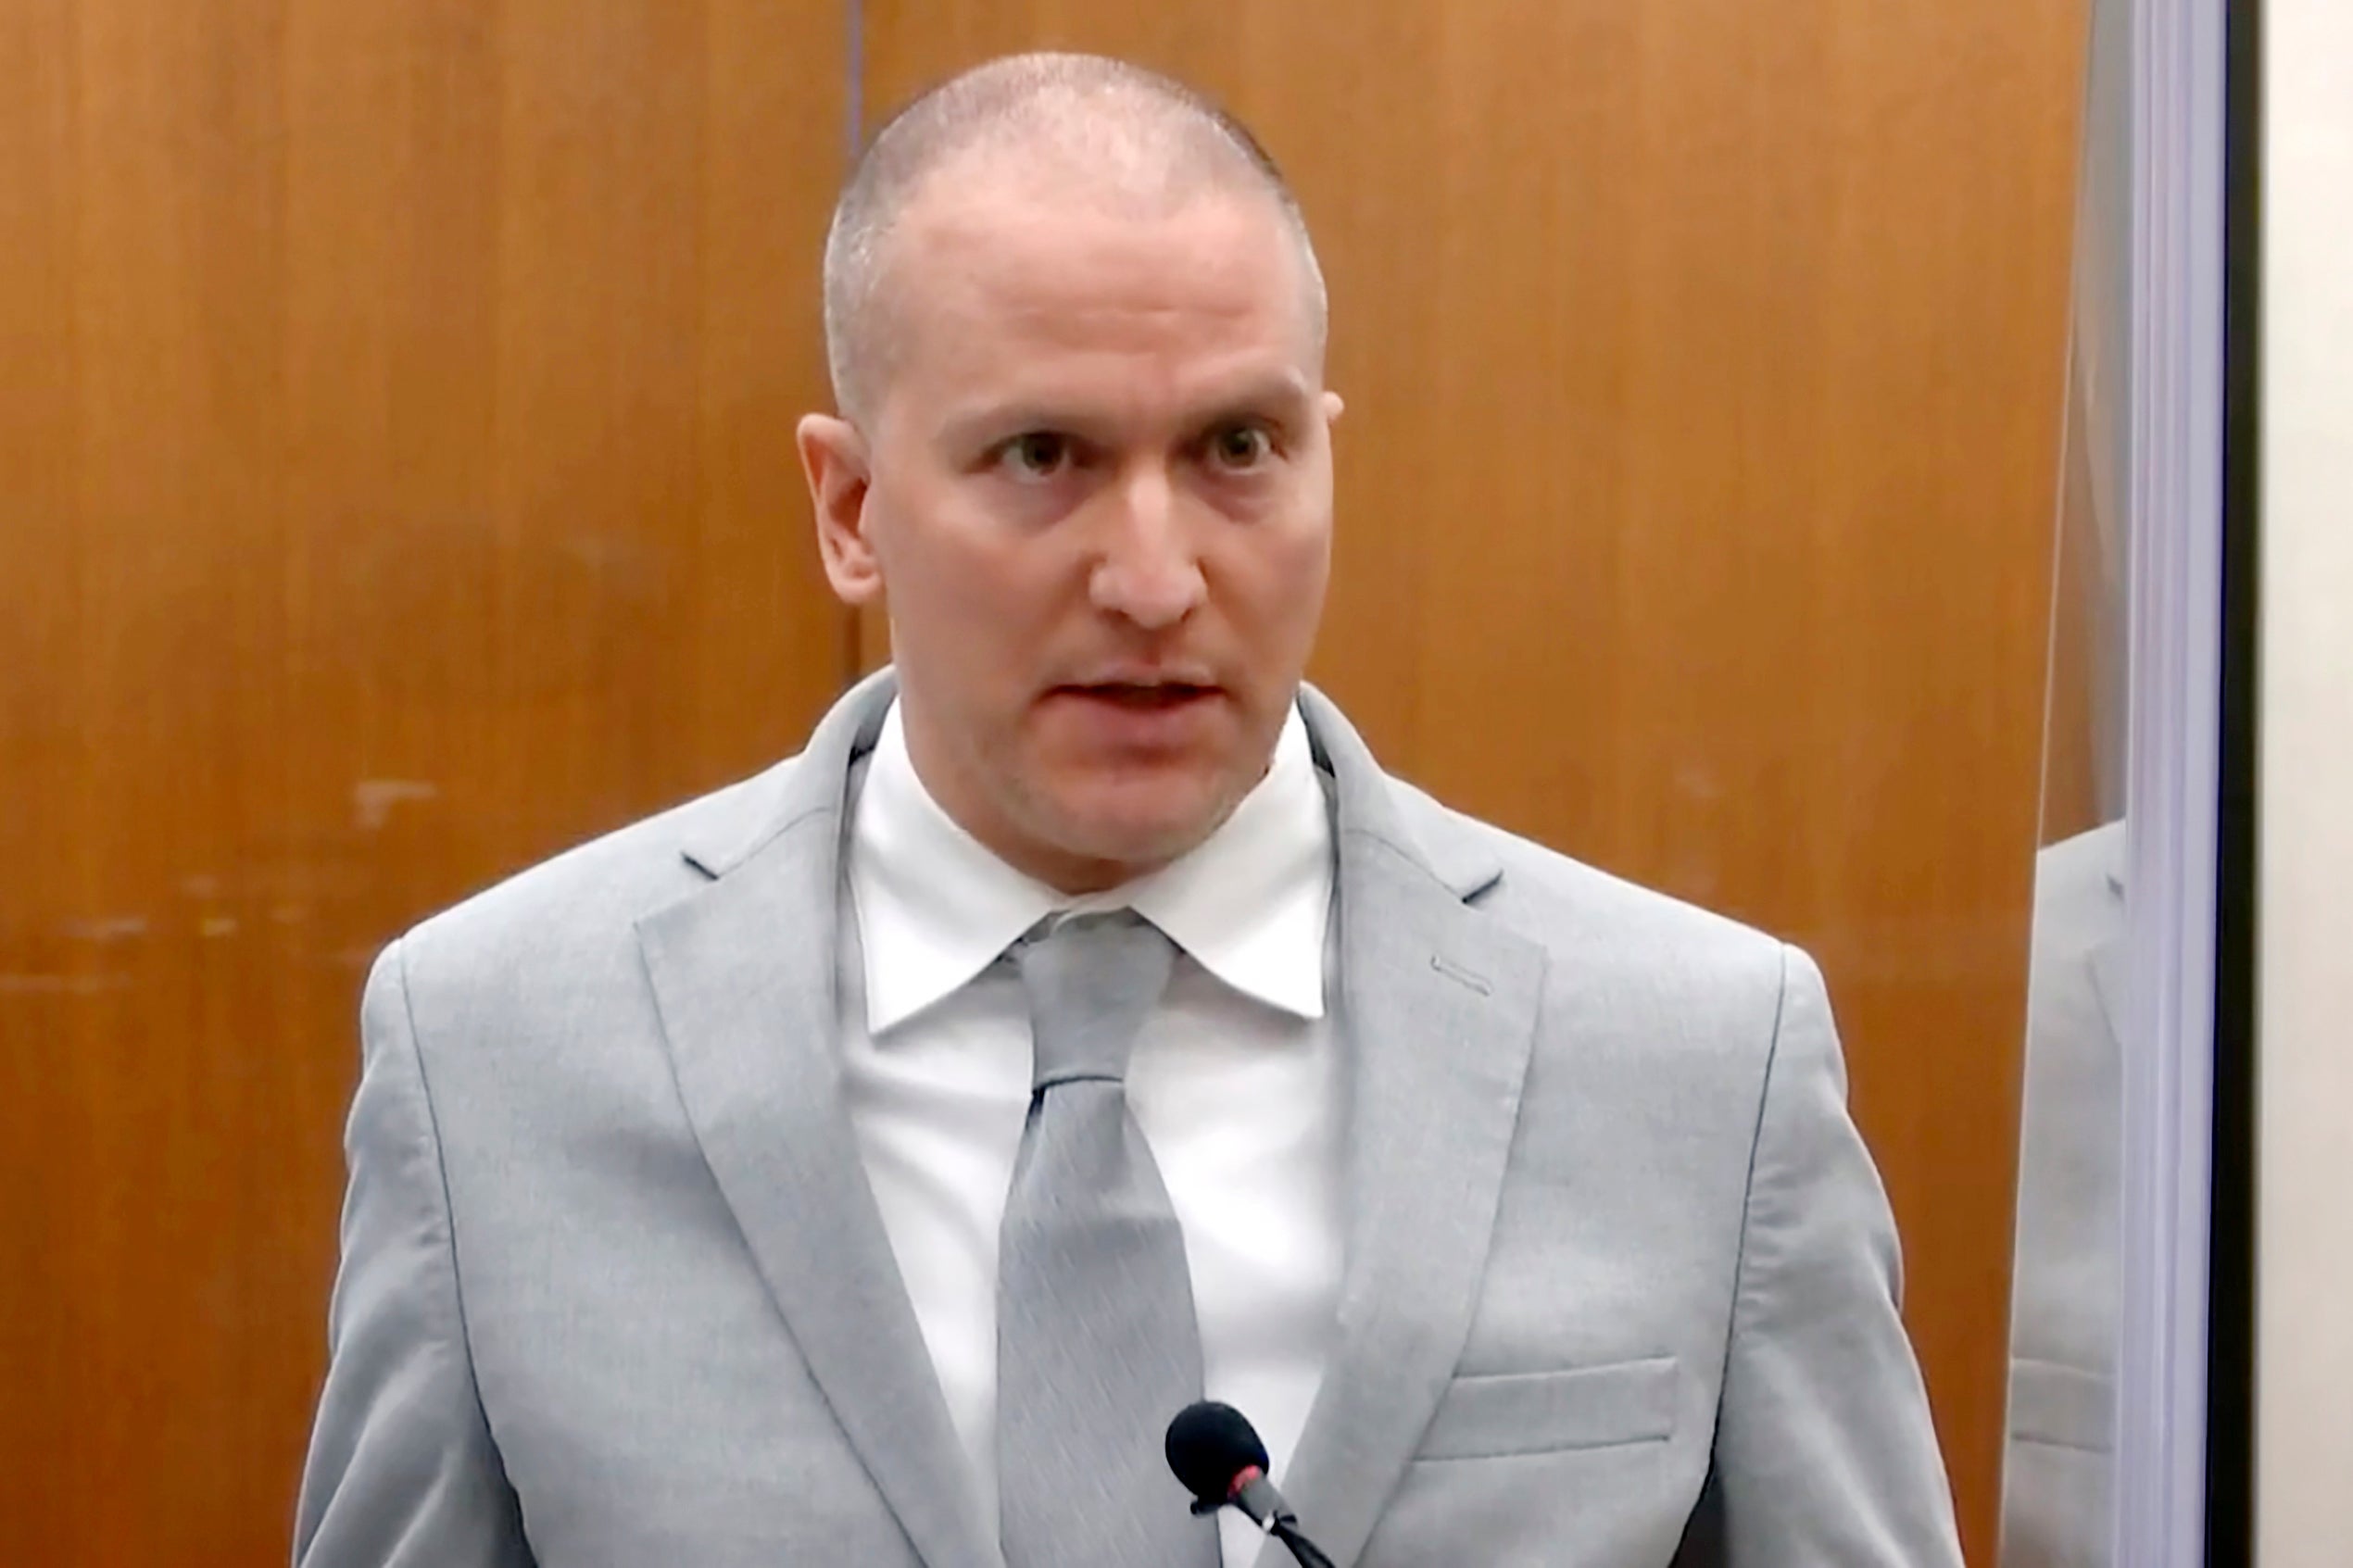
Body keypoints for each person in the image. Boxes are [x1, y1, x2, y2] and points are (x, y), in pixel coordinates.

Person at [295, 51, 1964, 1568]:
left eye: (1237, 445)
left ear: (1327, 459)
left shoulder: (1701, 1058)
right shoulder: (493, 1056)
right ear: (853, 507)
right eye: (1041, 456)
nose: (1158, 579)